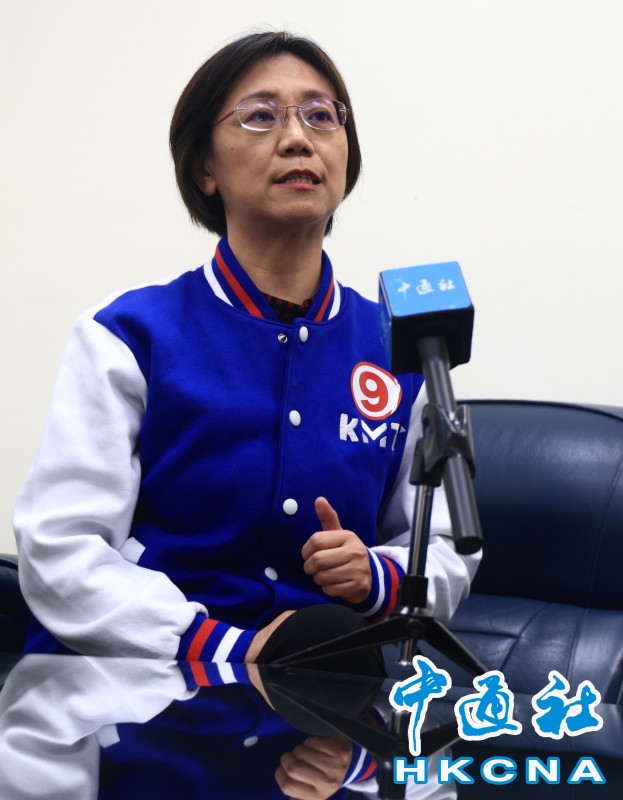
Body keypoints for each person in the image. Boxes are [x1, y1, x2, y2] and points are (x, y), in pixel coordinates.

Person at [13, 31, 481, 665]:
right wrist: (218, 648)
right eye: (261, 116)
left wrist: (377, 576)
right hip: (139, 686)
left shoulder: (402, 349)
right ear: (204, 168)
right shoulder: (128, 333)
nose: (298, 139)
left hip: (318, 698)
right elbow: (61, 550)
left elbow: (447, 546)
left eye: (322, 116)